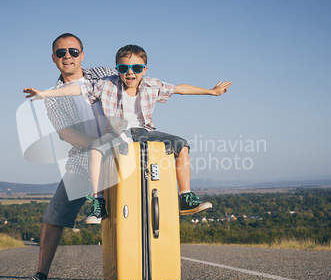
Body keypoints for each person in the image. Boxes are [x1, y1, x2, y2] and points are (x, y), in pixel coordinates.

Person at [24, 44, 232, 225]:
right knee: (96, 149)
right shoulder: (106, 84)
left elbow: (180, 88)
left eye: (136, 68)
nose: (130, 72)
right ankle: (99, 203)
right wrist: (44, 94)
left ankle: (185, 197)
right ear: (117, 69)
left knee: (182, 145)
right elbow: (76, 90)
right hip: (116, 132)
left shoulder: (152, 85)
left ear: (144, 69)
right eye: (124, 68)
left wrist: (211, 92)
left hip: (144, 132)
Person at [17, 33, 116, 280]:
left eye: (73, 51)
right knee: (54, 215)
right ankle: (41, 276)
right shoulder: (53, 95)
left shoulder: (104, 74)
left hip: (120, 155)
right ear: (54, 58)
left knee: (121, 215)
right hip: (84, 160)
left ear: (82, 54)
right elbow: (65, 132)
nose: (67, 56)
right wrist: (96, 144)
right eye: (61, 53)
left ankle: (122, 273)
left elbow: (131, 87)